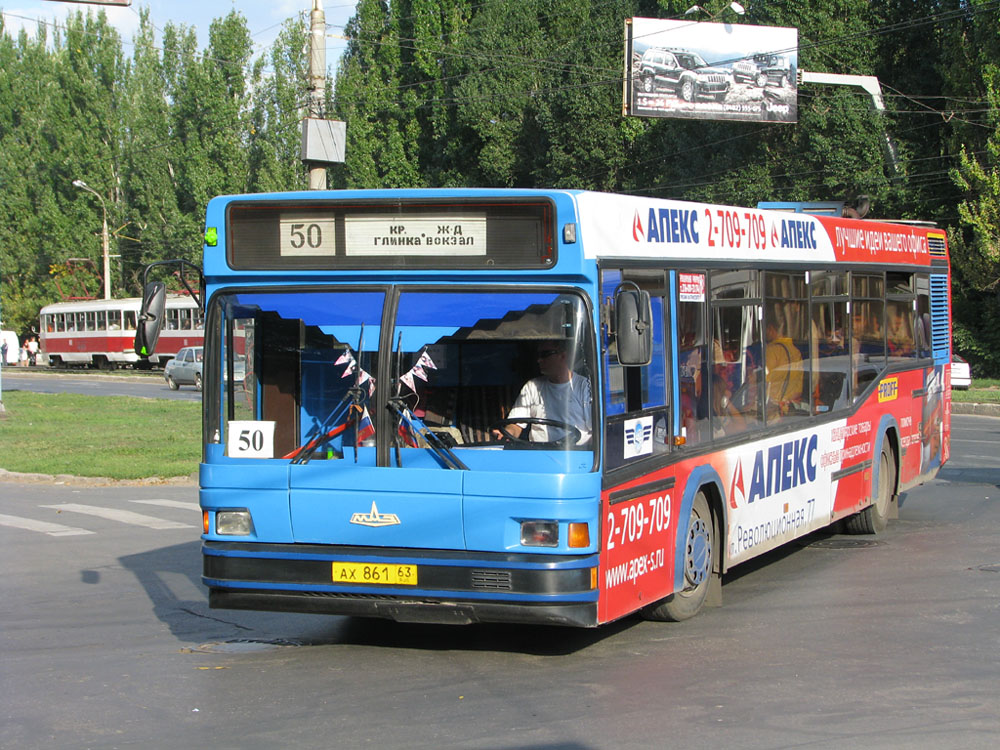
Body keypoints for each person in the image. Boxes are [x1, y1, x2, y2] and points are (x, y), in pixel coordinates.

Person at [501, 340, 592, 445]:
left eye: (545, 354)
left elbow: (595, 430)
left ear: (563, 356)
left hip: (573, 455)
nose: (539, 360)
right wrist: (507, 434)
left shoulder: (585, 387)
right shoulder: (532, 386)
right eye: (538, 355)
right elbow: (516, 425)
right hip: (538, 454)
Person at [764, 308, 803, 417]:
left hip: (773, 409)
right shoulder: (795, 351)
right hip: (789, 407)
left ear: (771, 329)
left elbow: (765, 380)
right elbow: (799, 383)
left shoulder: (772, 350)